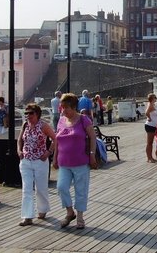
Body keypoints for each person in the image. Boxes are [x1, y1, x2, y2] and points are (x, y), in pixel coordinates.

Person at [53, 93, 97, 230]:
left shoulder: (84, 120)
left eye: (66, 108)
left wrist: (92, 155)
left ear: (73, 107)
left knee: (81, 190)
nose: (63, 110)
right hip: (63, 162)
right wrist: (54, 158)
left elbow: (93, 137)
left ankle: (79, 216)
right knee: (61, 187)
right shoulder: (61, 120)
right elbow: (57, 141)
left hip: (80, 161)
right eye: (62, 107)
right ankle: (69, 211)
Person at [17, 103, 56, 226]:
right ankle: (27, 216)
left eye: (31, 113)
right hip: (26, 160)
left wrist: (48, 152)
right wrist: (19, 150)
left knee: (41, 187)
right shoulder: (25, 125)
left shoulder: (44, 126)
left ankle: (43, 209)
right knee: (26, 188)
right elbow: (20, 139)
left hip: (40, 160)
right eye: (26, 113)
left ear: (37, 114)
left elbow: (56, 139)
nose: (28, 116)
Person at [144, 93, 157, 163]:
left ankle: (150, 157)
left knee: (150, 143)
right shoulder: (150, 104)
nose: (156, 98)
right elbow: (146, 112)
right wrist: (149, 118)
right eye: (155, 97)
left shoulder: (152, 104)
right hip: (150, 125)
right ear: (152, 98)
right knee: (149, 143)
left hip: (152, 125)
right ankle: (149, 158)